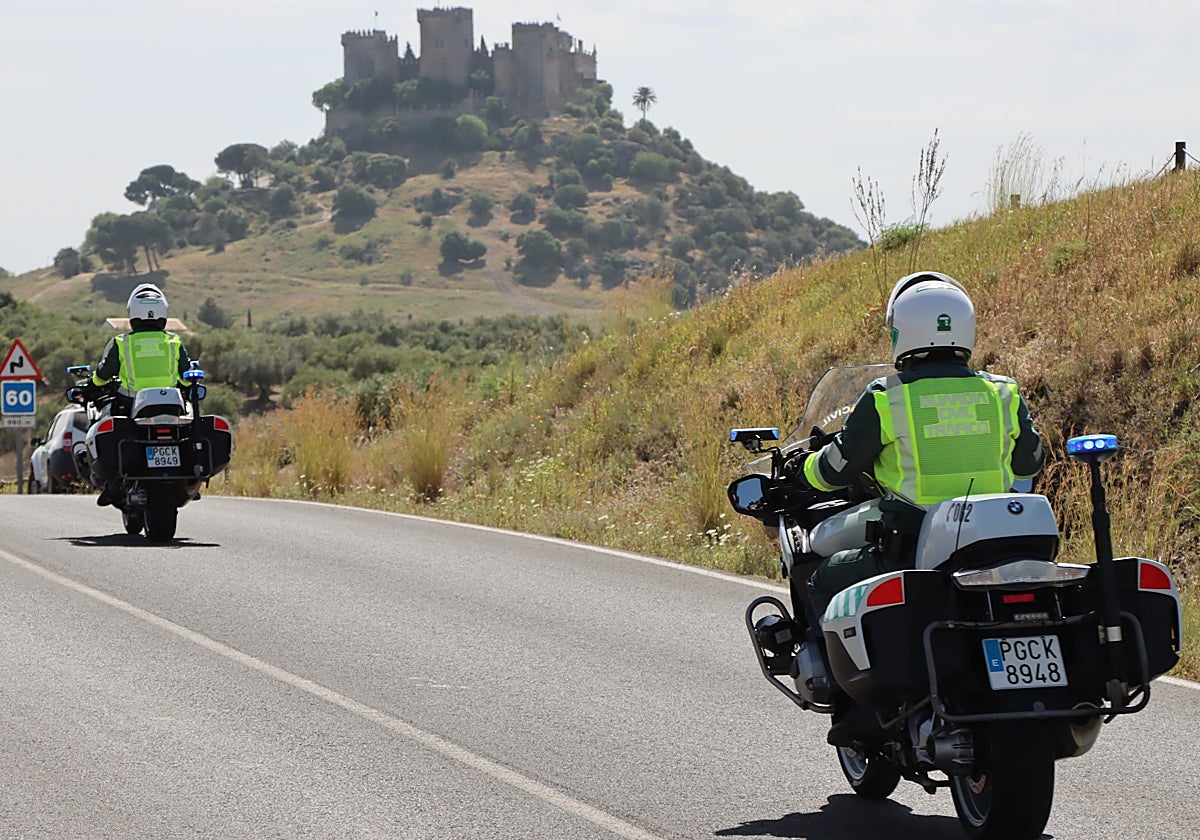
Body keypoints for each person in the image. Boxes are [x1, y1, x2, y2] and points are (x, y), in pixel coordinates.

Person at [784, 271, 1044, 745]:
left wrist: (801, 473)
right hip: (998, 547)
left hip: (913, 544)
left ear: (901, 332)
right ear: (964, 329)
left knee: (826, 579)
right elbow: (1030, 461)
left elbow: (838, 467)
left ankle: (859, 706)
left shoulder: (888, 397)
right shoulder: (1004, 393)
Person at [88, 283, 193, 505]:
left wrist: (92, 384)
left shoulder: (122, 342)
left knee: (112, 428)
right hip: (171, 406)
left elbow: (103, 374)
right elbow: (186, 376)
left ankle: (113, 483)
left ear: (132, 313)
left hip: (129, 405)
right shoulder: (174, 341)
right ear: (163, 313)